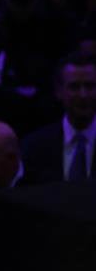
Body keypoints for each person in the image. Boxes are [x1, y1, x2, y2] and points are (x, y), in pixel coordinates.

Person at [23, 53, 96, 184]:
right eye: (74, 87)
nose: (83, 95)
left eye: (90, 86)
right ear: (59, 91)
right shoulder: (34, 147)